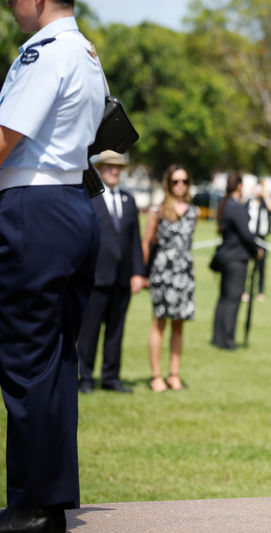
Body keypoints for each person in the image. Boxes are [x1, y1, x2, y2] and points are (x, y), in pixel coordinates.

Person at [0, 1, 105, 530]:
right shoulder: (85, 51)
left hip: (33, 207)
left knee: (25, 358)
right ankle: (50, 499)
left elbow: (5, 136)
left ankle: (31, 505)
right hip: (72, 205)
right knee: (55, 361)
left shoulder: (43, 51)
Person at [77, 150, 146, 395]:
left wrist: (138, 272)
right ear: (100, 169)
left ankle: (111, 377)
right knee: (89, 331)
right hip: (96, 277)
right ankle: (85, 378)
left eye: (117, 167)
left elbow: (135, 240)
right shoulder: (89, 198)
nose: (114, 171)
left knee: (116, 331)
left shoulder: (129, 200)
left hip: (123, 277)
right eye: (109, 167)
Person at [142, 164, 198, 392]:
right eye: (175, 181)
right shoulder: (158, 210)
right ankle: (156, 376)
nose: (180, 185)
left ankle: (174, 374)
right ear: (168, 184)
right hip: (163, 274)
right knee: (159, 323)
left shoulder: (193, 212)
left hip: (184, 273)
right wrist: (143, 273)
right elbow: (146, 242)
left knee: (179, 326)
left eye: (184, 181)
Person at [211, 172, 262, 350]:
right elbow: (246, 235)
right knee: (233, 299)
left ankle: (218, 337)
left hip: (226, 256)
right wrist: (256, 251)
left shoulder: (225, 204)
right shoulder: (236, 206)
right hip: (236, 258)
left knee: (224, 298)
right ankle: (227, 340)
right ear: (239, 186)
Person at [246, 178, 271, 302]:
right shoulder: (250, 201)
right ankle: (246, 291)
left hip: (262, 238)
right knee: (248, 265)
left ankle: (260, 291)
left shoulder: (264, 202)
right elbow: (241, 202)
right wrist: (250, 191)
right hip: (249, 237)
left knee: (261, 266)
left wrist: (265, 193)